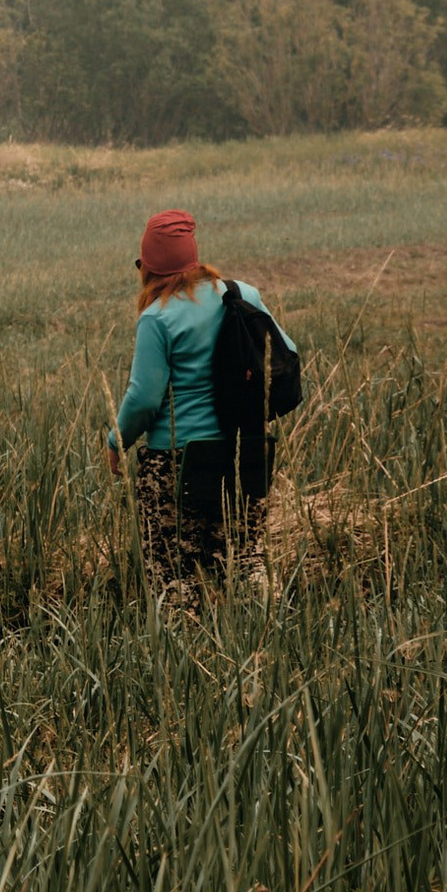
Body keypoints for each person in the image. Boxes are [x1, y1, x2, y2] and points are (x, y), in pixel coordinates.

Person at [106, 209, 294, 604]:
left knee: (175, 574)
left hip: (178, 463)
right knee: (247, 560)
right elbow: (287, 353)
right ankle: (264, 639)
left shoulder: (157, 319)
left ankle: (189, 658)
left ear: (149, 268)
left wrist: (116, 439)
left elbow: (143, 399)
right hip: (246, 452)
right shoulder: (242, 295)